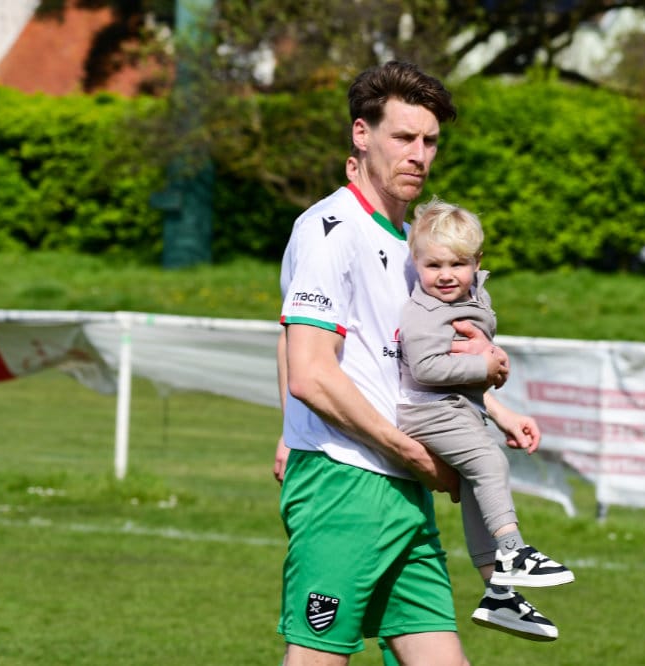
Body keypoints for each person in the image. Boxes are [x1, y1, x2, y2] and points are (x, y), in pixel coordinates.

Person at [275, 61, 538, 666]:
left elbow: (394, 357)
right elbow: (310, 370)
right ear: (361, 134)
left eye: (430, 141)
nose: (419, 155)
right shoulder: (329, 230)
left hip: (401, 487)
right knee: (316, 658)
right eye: (403, 137)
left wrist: (490, 397)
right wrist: (412, 453)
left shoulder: (410, 245)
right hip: (345, 482)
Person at [397, 197, 574, 642]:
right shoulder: (423, 311)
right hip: (427, 409)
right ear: (416, 262)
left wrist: (491, 376)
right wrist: (485, 365)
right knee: (489, 462)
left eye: (457, 264)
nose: (445, 275)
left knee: (478, 488)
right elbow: (426, 368)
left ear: (477, 262)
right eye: (433, 265)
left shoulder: (475, 292)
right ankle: (512, 550)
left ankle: (499, 594)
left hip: (460, 407)